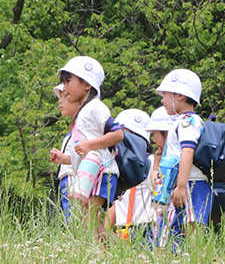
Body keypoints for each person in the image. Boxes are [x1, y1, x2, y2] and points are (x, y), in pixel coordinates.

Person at [50, 56, 125, 239]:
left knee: (89, 220)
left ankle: (98, 253)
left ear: (87, 85)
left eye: (68, 81)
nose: (65, 87)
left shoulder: (95, 108)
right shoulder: (82, 114)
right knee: (91, 221)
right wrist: (65, 159)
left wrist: (90, 145)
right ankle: (113, 251)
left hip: (102, 171)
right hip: (90, 169)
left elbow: (118, 134)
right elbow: (83, 153)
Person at [154, 69, 210, 240]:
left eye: (165, 95)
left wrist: (181, 186)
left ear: (179, 95)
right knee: (174, 231)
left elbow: (187, 151)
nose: (162, 100)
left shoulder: (188, 121)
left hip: (191, 185)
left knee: (192, 230)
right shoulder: (181, 120)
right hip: (183, 184)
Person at [106, 108, 155, 240]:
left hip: (145, 227)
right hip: (122, 230)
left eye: (123, 132)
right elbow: (115, 202)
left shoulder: (151, 163)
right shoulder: (116, 165)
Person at [49, 83, 83, 220]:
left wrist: (65, 159)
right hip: (67, 179)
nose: (60, 101)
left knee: (75, 220)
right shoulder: (73, 127)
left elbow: (89, 156)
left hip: (74, 178)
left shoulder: (83, 126)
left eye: (65, 96)